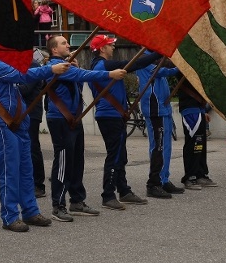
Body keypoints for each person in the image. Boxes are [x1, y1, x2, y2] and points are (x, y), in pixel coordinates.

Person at [42, 34, 127, 222]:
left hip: (74, 118)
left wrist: (76, 67)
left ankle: (77, 200)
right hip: (60, 119)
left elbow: (78, 80)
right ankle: (58, 205)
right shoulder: (53, 67)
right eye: (63, 43)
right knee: (63, 162)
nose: (67, 45)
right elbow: (83, 76)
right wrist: (109, 74)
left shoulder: (68, 66)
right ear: (54, 49)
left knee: (77, 160)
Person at [0, 56, 70, 231]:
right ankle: (10, 216)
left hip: (19, 122)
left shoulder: (5, 61)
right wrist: (50, 69)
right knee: (9, 170)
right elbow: (22, 75)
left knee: (26, 169)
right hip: (3, 122)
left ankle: (30, 211)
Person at [87, 35, 159, 209]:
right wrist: (158, 53)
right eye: (111, 45)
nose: (114, 48)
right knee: (115, 155)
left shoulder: (98, 66)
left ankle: (124, 190)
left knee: (121, 155)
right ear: (102, 48)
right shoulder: (103, 65)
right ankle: (108, 194)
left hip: (112, 115)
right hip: (110, 115)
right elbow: (136, 63)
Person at [135, 57, 183, 198]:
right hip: (154, 108)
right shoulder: (143, 59)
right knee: (158, 146)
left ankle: (164, 179)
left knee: (166, 146)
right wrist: (182, 68)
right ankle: (154, 182)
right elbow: (160, 72)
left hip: (163, 107)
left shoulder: (154, 56)